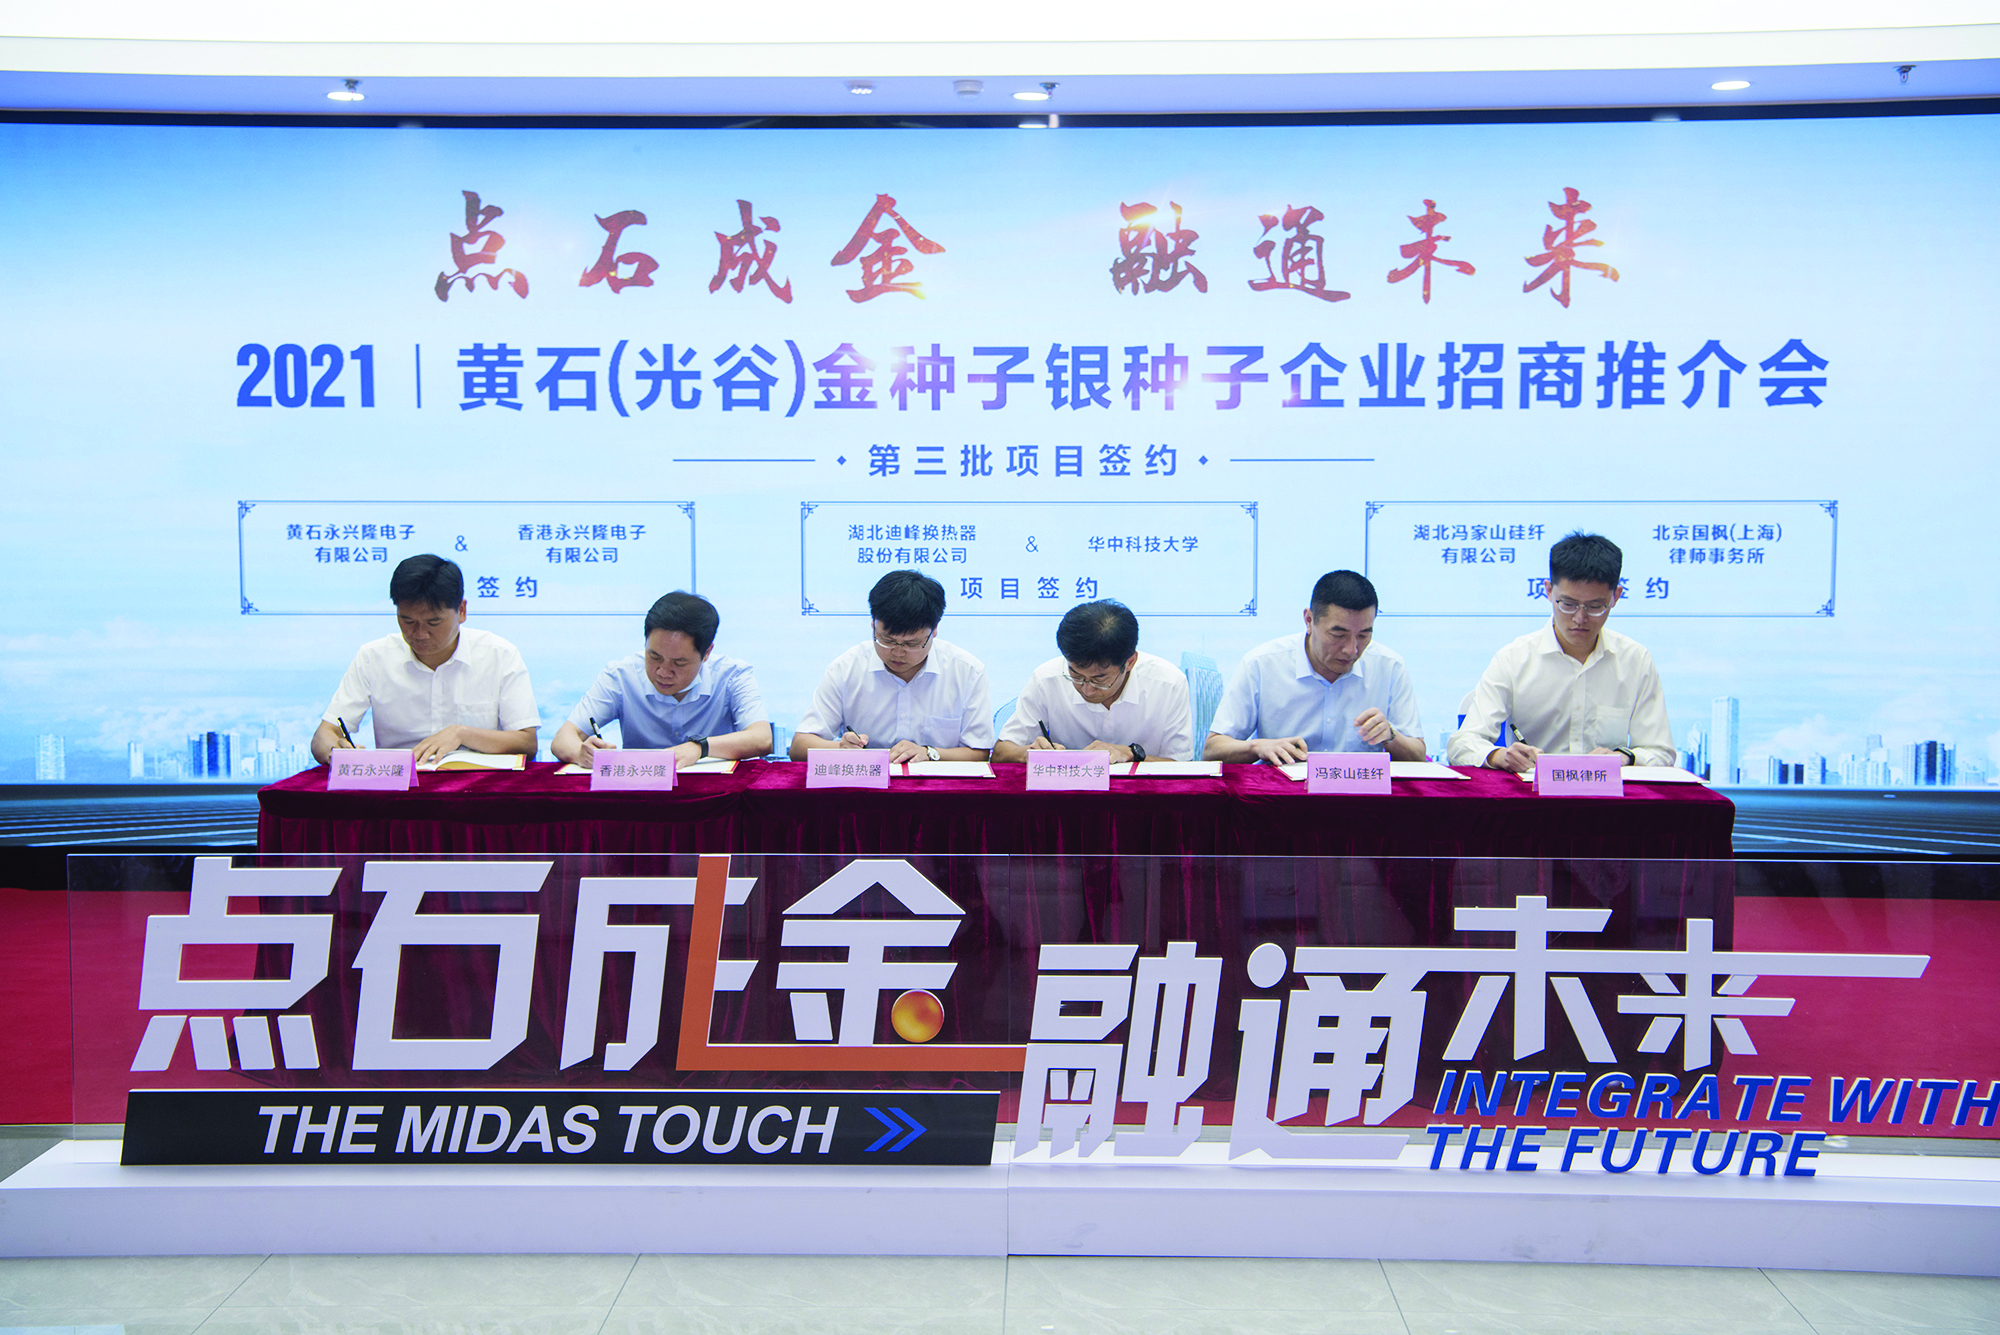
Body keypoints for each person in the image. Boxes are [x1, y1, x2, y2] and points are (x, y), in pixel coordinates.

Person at [1448, 531, 1675, 771]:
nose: (1580, 618)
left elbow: (1660, 751)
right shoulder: (1514, 658)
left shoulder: (1635, 660)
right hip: (1533, 790)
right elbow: (1461, 743)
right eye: (1568, 604)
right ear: (1548, 590)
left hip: (1607, 791)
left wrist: (1624, 757)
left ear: (1615, 597)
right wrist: (1499, 756)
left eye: (1595, 606)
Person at [312, 554, 539, 765]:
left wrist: (462, 734)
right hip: (400, 784)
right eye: (408, 621)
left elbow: (526, 743)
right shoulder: (373, 657)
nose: (420, 634)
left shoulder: (499, 654)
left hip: (476, 784)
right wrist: (336, 752)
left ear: (461, 611)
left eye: (433, 622)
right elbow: (325, 733)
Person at [1204, 570, 1426, 764]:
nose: (1351, 649)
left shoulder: (1389, 666)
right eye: (1338, 634)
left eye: (1363, 635)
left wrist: (1390, 736)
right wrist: (1257, 747)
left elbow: (1418, 756)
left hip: (1361, 795)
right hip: (1282, 795)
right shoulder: (1262, 664)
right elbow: (1212, 750)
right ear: (1309, 620)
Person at [551, 591, 771, 770]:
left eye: (679, 663)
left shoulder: (732, 675)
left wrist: (700, 748)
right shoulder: (621, 675)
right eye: (654, 657)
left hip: (714, 798)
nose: (663, 672)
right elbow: (562, 738)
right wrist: (582, 753)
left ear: (706, 653)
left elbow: (762, 739)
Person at [790, 569, 993, 763]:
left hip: (937, 785)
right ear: (873, 624)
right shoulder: (846, 669)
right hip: (866, 784)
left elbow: (979, 752)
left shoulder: (967, 671)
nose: (897, 652)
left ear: (934, 630)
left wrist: (928, 752)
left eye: (912, 644)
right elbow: (799, 747)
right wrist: (841, 748)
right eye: (886, 640)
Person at [994, 599, 1193, 763]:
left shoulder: (1169, 684)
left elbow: (1182, 765)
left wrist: (1130, 754)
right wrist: (1029, 753)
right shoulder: (1047, 679)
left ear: (1130, 662)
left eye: (1099, 679)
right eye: (1076, 675)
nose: (1087, 689)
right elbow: (1001, 752)